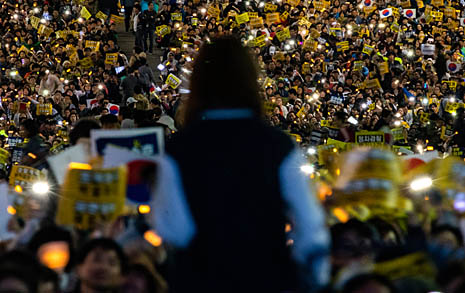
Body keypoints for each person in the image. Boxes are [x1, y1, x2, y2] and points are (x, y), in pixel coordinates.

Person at [151, 36, 329, 292]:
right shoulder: (278, 145)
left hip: (201, 280)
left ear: (198, 83)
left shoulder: (177, 150)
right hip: (267, 278)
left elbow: (175, 229)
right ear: (250, 81)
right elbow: (310, 226)